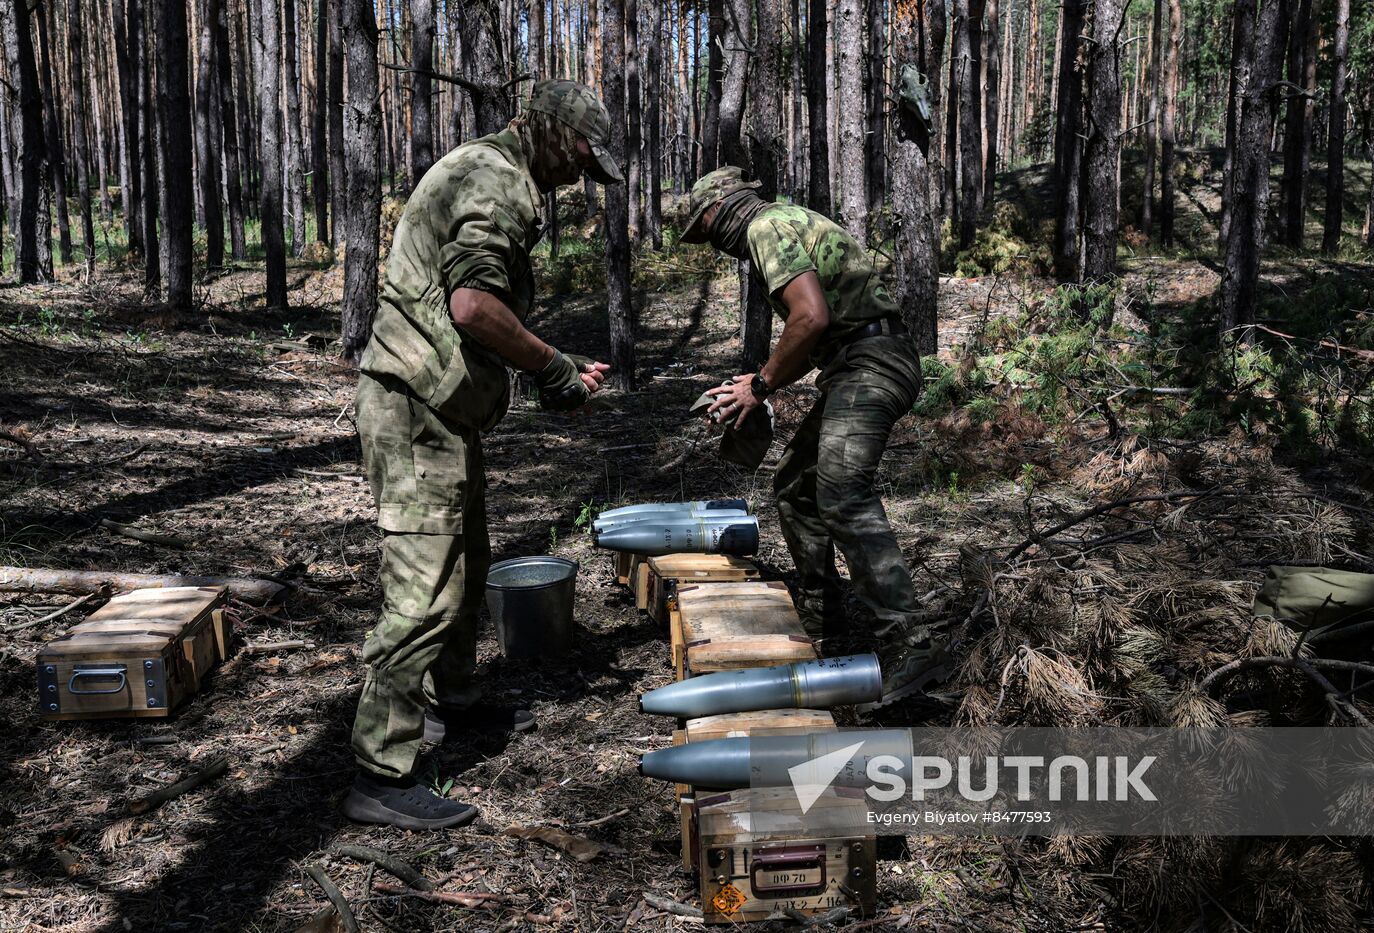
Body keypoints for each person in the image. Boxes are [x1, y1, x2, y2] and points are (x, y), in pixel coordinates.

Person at [342, 80, 623, 830]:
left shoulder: (492, 171)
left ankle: (452, 701)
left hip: (439, 410)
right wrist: (551, 365)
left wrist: (546, 363)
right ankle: (381, 768)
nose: (577, 184)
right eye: (580, 165)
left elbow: (468, 309)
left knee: (464, 567)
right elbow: (472, 306)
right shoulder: (497, 180)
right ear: (556, 135)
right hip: (412, 409)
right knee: (423, 590)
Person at [678, 166, 954, 710]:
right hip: (856, 361)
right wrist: (758, 383)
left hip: (873, 362)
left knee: (843, 490)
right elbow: (815, 330)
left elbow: (811, 317)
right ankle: (827, 620)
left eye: (703, 229)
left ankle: (910, 642)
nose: (710, 242)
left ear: (716, 211)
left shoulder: (765, 227)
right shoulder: (782, 223)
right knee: (797, 485)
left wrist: (760, 386)